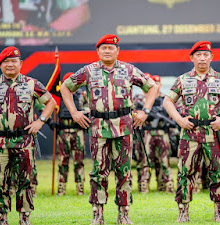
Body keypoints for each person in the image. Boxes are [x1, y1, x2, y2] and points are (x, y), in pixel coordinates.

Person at [60, 34, 158, 224]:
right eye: (103, 48)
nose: (107, 51)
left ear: (117, 51)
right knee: (99, 172)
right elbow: (66, 87)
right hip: (99, 127)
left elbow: (152, 87)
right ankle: (98, 215)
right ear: (98, 51)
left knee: (124, 171)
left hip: (124, 126)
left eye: (111, 48)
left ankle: (124, 214)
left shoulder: (128, 70)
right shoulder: (88, 71)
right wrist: (74, 112)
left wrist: (145, 111)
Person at [0, 46, 56, 225]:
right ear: (0, 65)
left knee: (25, 181)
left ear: (20, 63)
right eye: (6, 62)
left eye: (13, 61)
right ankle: (2, 219)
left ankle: (24, 219)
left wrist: (41, 121)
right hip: (0, 141)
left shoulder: (32, 83)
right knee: (0, 182)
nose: (10, 64)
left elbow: (51, 102)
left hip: (24, 141)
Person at [163, 41, 220, 222]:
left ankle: (219, 212)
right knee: (185, 173)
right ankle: (183, 212)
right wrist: (179, 120)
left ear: (211, 57)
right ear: (192, 58)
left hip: (214, 134)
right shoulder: (183, 80)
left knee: (218, 173)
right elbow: (167, 101)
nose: (202, 58)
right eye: (198, 55)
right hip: (189, 134)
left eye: (206, 55)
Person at [133, 74, 175, 193]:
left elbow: (171, 113)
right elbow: (134, 112)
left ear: (160, 85)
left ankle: (167, 186)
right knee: (145, 160)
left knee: (164, 161)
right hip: (146, 132)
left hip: (162, 131)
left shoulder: (165, 99)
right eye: (153, 83)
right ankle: (144, 186)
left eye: (157, 83)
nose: (156, 86)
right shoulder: (139, 99)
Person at [57, 72, 89, 196]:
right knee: (62, 161)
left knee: (79, 161)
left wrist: (82, 111)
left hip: (78, 131)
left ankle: (80, 189)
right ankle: (61, 189)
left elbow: (89, 107)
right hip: (63, 132)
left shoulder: (83, 95)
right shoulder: (59, 97)